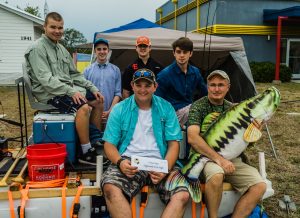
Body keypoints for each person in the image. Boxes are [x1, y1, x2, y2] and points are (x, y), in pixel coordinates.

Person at [101, 68, 190, 218]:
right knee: (110, 187)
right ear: (132, 85)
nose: (143, 89)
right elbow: (109, 144)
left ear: (155, 86)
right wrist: (121, 162)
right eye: (139, 85)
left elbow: (174, 144)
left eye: (147, 85)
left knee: (182, 194)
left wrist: (165, 168)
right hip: (129, 161)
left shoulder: (166, 108)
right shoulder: (119, 109)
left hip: (160, 162)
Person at [24, 12, 104, 164]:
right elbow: (46, 81)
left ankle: (95, 141)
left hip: (65, 89)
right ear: (44, 27)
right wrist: (71, 91)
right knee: (84, 108)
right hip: (49, 93)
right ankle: (85, 152)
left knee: (98, 101)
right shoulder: (37, 48)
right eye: (53, 27)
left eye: (60, 28)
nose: (57, 31)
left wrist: (92, 88)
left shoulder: (61, 49)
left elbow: (74, 74)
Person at [187, 70, 266, 218]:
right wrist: (220, 160)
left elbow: (245, 144)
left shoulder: (234, 108)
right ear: (207, 87)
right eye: (213, 85)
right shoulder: (198, 106)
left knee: (259, 185)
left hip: (232, 158)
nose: (216, 89)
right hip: (204, 157)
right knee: (216, 175)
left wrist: (255, 132)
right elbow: (192, 138)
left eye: (221, 85)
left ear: (228, 87)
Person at [155, 37, 207, 127]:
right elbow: (157, 101)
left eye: (185, 52)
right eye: (178, 52)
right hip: (171, 115)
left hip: (189, 112)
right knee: (195, 109)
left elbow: (205, 92)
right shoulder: (165, 74)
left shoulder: (195, 72)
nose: (182, 55)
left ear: (190, 53)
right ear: (174, 53)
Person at [84, 38, 122, 120]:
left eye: (104, 49)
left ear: (108, 51)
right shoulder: (87, 70)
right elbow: (83, 93)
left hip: (111, 114)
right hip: (92, 114)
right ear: (95, 51)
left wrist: (111, 110)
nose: (102, 52)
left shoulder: (115, 70)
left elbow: (118, 93)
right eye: (99, 49)